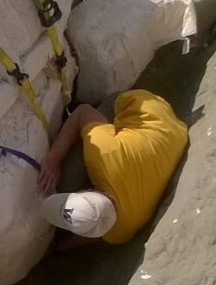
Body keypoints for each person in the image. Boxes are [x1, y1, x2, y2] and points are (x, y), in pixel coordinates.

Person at [36, 90, 189, 247]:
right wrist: (53, 160)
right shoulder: (102, 153)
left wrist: (58, 248)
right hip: (144, 106)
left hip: (174, 133)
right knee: (65, 182)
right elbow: (83, 112)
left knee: (66, 183)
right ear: (87, 191)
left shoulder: (120, 233)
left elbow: (91, 230)